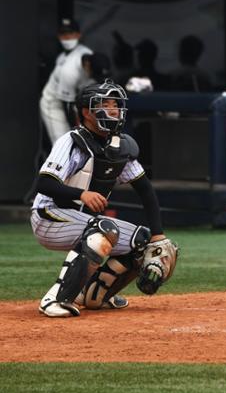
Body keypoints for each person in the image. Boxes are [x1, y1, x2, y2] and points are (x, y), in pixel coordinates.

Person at [31, 79, 178, 318]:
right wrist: (82, 194)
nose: (113, 110)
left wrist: (158, 235)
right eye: (105, 104)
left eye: (116, 105)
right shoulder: (71, 141)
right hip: (49, 217)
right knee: (103, 228)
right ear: (87, 112)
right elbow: (43, 183)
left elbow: (145, 191)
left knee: (142, 240)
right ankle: (56, 299)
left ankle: (95, 295)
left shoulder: (120, 146)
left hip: (83, 222)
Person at [39, 18, 93, 144]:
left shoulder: (85, 53)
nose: (67, 37)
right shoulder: (65, 62)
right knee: (62, 144)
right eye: (63, 34)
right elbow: (69, 105)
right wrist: (81, 128)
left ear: (78, 34)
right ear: (59, 36)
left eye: (71, 33)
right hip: (53, 104)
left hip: (76, 102)